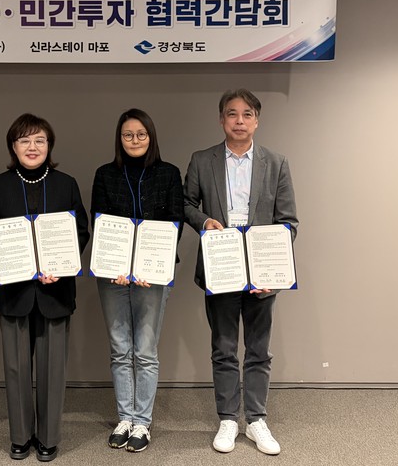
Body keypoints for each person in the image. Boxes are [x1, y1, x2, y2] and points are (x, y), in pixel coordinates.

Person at [183, 89, 298, 456]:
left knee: (259, 349)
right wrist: (205, 221)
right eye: (232, 114)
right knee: (224, 347)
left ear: (257, 121)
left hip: (262, 272)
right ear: (221, 120)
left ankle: (257, 419)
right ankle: (229, 418)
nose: (239, 121)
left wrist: (272, 269)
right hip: (222, 267)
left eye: (247, 114)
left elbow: (288, 222)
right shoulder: (202, 160)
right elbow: (186, 204)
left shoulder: (276, 163)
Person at [0, 113, 89, 463]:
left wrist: (61, 267)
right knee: (15, 369)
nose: (32, 147)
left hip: (56, 291)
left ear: (49, 145)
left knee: (53, 369)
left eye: (39, 140)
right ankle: (20, 437)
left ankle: (48, 438)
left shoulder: (66, 184)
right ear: (13, 146)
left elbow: (80, 232)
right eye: (24, 140)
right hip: (13, 292)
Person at [91, 109, 183, 453]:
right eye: (128, 135)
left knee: (145, 351)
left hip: (152, 276)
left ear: (151, 137)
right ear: (120, 138)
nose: (134, 140)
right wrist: (116, 263)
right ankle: (125, 418)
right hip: (112, 274)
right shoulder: (105, 174)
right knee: (120, 349)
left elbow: (175, 222)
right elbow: (99, 222)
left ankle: (142, 422)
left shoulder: (169, 173)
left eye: (141, 134)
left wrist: (150, 265)